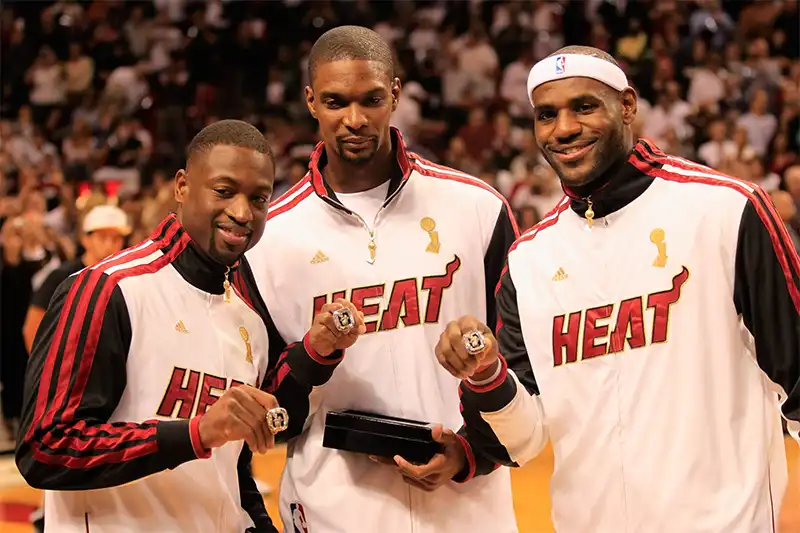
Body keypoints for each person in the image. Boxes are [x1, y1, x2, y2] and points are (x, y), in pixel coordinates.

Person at [434, 46, 800, 533]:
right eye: (547, 115)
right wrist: (485, 375)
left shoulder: (726, 211)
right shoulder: (528, 262)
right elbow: (524, 441)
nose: (563, 129)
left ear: (627, 105)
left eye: (584, 106)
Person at [16, 119, 366, 533]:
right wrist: (196, 433)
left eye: (259, 199)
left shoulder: (248, 315)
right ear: (182, 186)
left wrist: (315, 351)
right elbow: (46, 448)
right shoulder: (108, 290)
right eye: (224, 191)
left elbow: (232, 470)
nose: (241, 212)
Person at [246, 25, 520, 533]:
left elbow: (524, 367)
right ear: (310, 101)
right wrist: (315, 353)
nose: (354, 119)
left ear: (395, 93)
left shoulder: (477, 208)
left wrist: (470, 453)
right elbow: (266, 413)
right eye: (335, 102)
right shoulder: (267, 238)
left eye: (371, 99)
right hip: (334, 510)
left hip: (468, 511)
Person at [23, 204, 131, 354]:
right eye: (102, 237)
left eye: (116, 238)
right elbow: (33, 325)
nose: (109, 244)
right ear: (85, 239)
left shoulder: (128, 279)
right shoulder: (62, 277)